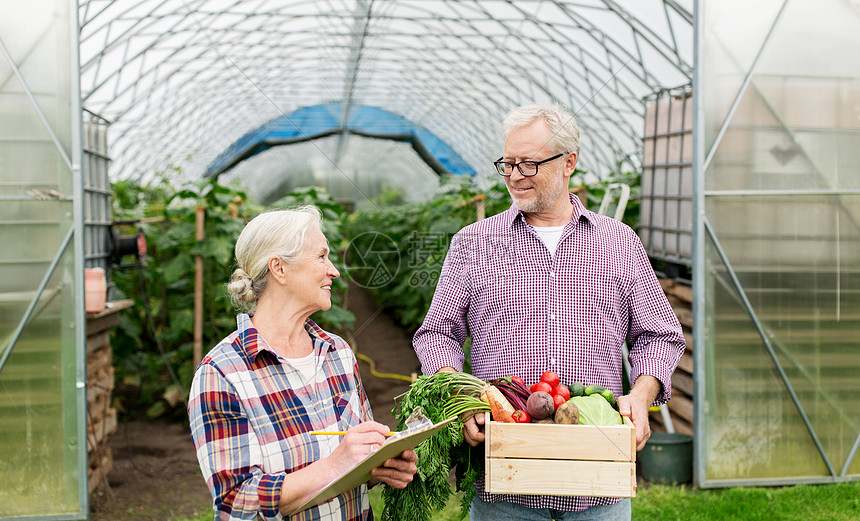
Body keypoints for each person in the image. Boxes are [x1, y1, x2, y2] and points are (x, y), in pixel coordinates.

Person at [413, 104, 685, 520]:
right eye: (508, 164)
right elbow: (438, 334)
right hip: (505, 486)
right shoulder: (474, 243)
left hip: (598, 484)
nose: (515, 176)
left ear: (568, 163)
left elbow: (659, 335)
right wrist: (464, 397)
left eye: (529, 163)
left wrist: (641, 395)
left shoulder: (618, 242)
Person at [188, 206, 418, 521]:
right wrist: (336, 464)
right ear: (279, 268)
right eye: (322, 257)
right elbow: (237, 501)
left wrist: (381, 466)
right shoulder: (222, 373)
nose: (334, 271)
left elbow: (354, 460)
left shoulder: (337, 353)